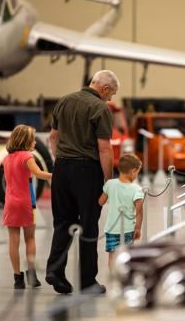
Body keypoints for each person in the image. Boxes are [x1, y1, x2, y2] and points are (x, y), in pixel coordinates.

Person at [46, 70, 119, 294]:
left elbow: (52, 137)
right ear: (104, 89)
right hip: (87, 172)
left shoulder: (64, 101)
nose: (110, 99)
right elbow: (105, 148)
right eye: (111, 94)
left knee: (62, 223)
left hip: (62, 169)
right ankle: (88, 282)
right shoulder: (99, 108)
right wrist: (109, 181)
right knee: (88, 225)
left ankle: (55, 271)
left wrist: (61, 162)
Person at [3, 124, 52, 289]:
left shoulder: (6, 158)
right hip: (26, 202)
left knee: (13, 240)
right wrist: (55, 175)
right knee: (30, 238)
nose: (35, 143)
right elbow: (38, 173)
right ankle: (31, 275)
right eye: (33, 140)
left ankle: (17, 278)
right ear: (25, 141)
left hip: (10, 202)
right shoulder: (27, 156)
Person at [98, 154, 144, 270]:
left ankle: (114, 278)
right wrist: (138, 228)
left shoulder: (110, 184)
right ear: (133, 171)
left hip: (111, 228)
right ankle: (124, 280)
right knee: (126, 256)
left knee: (112, 256)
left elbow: (100, 202)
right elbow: (139, 212)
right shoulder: (136, 189)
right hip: (128, 229)